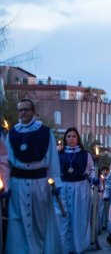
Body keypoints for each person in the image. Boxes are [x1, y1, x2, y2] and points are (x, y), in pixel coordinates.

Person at [4, 98, 62, 253]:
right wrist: (6, 186)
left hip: (40, 183)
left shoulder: (44, 132)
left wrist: (56, 183)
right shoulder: (13, 134)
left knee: (39, 220)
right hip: (18, 184)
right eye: (20, 110)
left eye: (26, 109)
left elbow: (53, 159)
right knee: (18, 221)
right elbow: (7, 161)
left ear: (33, 111)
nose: (23, 113)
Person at [56, 127, 98, 253]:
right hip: (63, 188)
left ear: (77, 138)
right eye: (68, 136)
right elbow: (54, 171)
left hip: (80, 189)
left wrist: (94, 179)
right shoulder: (59, 154)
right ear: (65, 139)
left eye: (74, 136)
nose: (71, 139)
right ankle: (64, 248)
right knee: (63, 218)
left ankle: (78, 247)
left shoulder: (85, 154)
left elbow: (91, 171)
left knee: (79, 218)